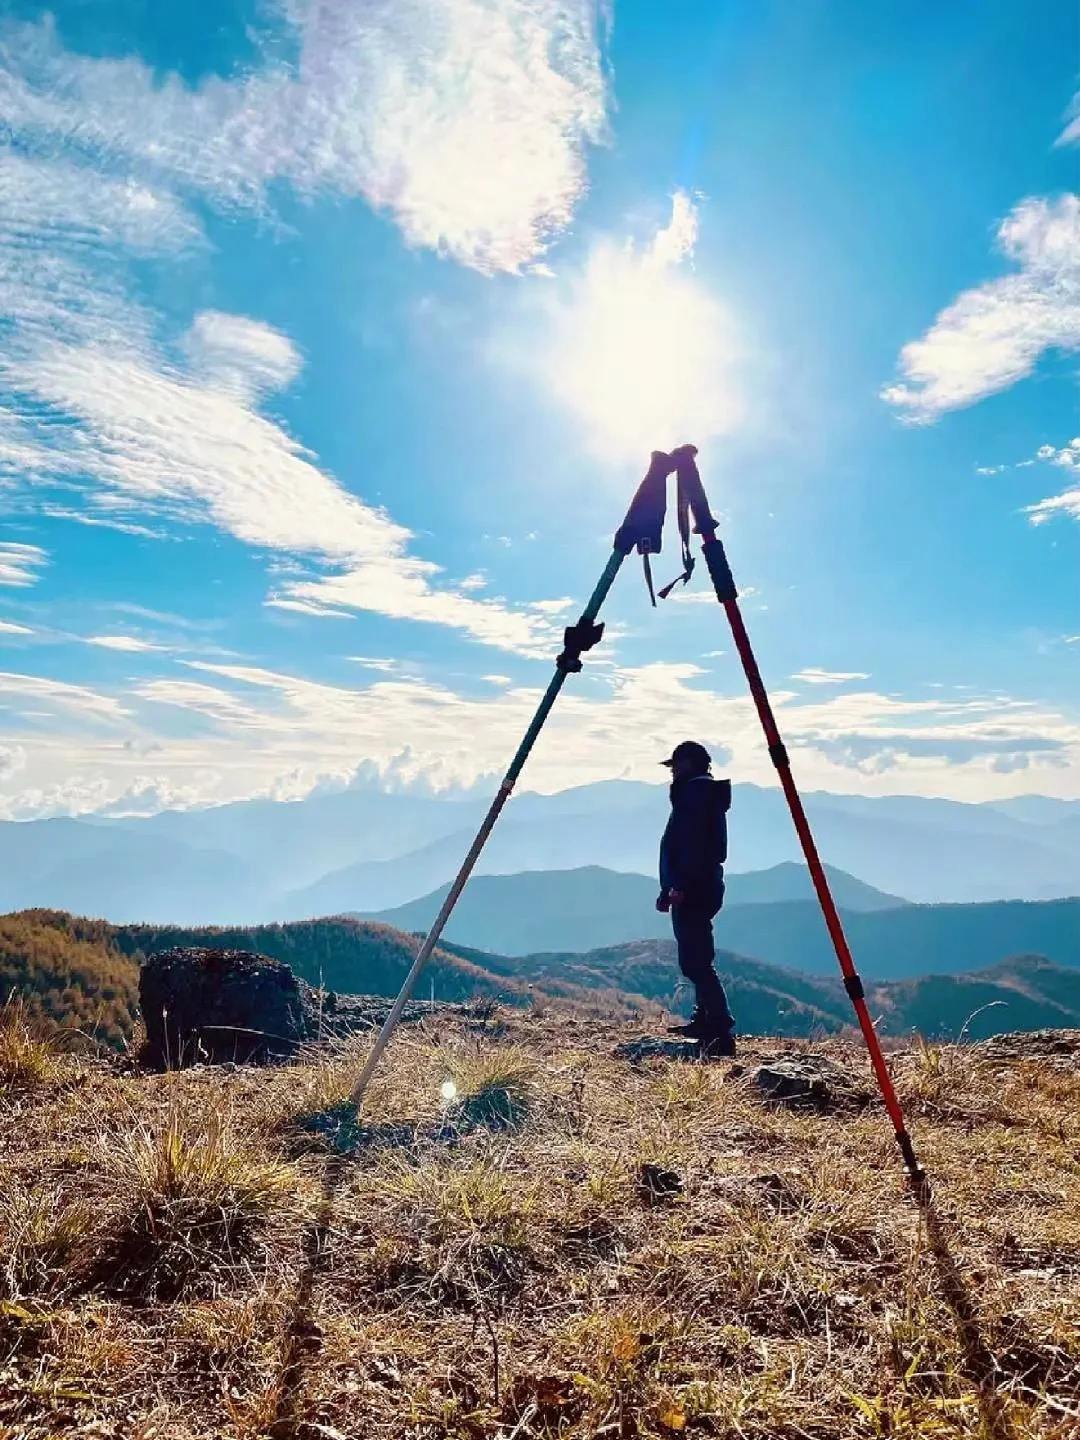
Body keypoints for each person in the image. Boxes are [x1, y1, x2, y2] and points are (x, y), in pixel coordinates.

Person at [656, 740, 736, 1056]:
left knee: (695, 961)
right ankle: (705, 1020)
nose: (672, 771)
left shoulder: (694, 798)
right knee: (699, 956)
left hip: (692, 887)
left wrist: (677, 886)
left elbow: (687, 849)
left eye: (675, 765)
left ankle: (718, 1025)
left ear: (688, 764)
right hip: (704, 885)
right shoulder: (703, 797)